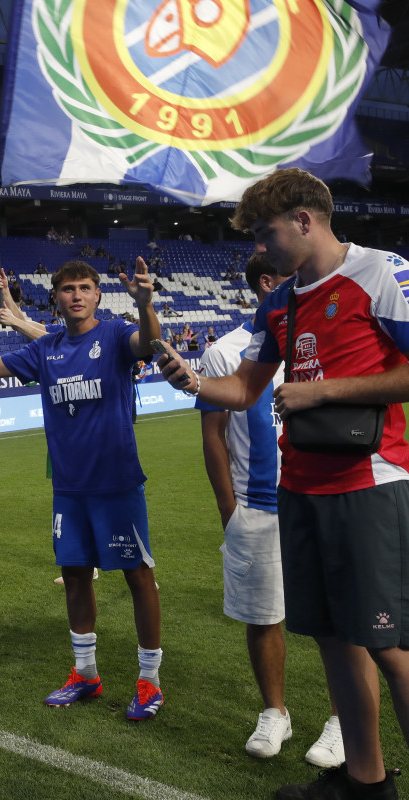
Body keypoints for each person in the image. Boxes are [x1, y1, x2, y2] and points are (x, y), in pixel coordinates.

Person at [157, 168, 409, 799]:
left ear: (305, 219)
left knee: (389, 644)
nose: (258, 251)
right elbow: (242, 391)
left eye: (265, 235)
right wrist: (190, 380)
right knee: (332, 636)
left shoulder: (385, 273)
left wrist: (325, 391)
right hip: (301, 489)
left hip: (367, 484)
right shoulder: (280, 300)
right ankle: (365, 781)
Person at [0, 256, 166, 719]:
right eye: (68, 289)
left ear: (98, 295)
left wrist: (146, 305)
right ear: (56, 297)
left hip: (117, 484)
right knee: (73, 577)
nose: (77, 295)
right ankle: (85, 673)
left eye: (86, 287)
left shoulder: (112, 336)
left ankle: (149, 680)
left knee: (138, 577)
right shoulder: (46, 349)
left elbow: (149, 343)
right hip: (68, 489)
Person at [197, 253, 347, 765]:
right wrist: (229, 509)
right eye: (295, 276)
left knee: (340, 616)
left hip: (323, 494)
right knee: (262, 617)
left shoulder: (323, 334)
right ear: (269, 283)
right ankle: (274, 713)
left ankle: (341, 720)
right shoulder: (226, 351)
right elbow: (213, 437)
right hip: (257, 506)